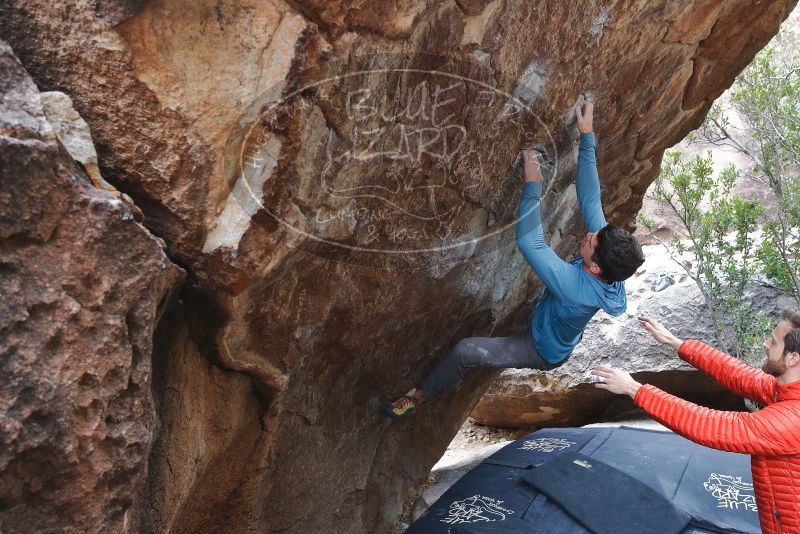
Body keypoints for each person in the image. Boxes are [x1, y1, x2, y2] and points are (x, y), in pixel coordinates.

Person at [384, 100, 645, 420]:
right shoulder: (607, 264)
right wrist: (587, 136)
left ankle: (420, 395)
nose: (590, 234)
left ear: (595, 268)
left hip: (540, 348)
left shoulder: (575, 289)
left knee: (466, 350)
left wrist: (532, 184)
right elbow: (590, 197)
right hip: (553, 315)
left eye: (592, 241)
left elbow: (530, 242)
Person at [593, 311, 800, 534]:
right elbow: (737, 373)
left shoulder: (792, 419)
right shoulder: (786, 390)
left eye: (774, 341)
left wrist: (634, 389)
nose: (766, 343)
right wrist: (676, 343)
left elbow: (709, 425)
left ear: (793, 358)